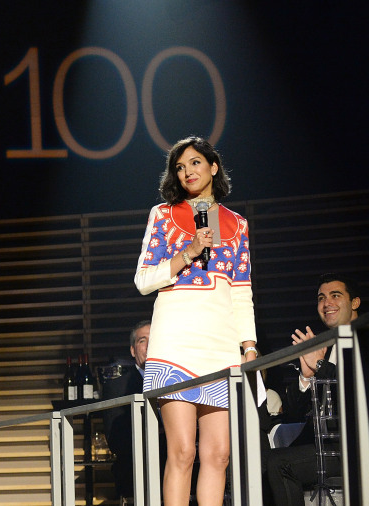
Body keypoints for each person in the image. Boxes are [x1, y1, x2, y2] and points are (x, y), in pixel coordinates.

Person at [134, 136, 258, 506]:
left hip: (221, 350)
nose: (187, 171)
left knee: (219, 455)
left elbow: (240, 290)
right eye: (179, 166)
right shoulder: (163, 215)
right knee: (183, 451)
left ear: (213, 167)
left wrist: (248, 345)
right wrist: (187, 252)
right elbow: (143, 281)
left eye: (195, 163)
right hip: (175, 346)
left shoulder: (237, 224)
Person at [266, 273, 361, 506]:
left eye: (335, 295)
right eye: (321, 297)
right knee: (261, 461)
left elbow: (355, 394)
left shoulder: (362, 340)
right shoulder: (324, 347)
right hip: (323, 445)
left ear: (355, 302)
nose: (327, 303)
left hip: (355, 446)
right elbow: (296, 413)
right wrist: (306, 378)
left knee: (279, 464)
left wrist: (321, 366)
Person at [102, 320, 154, 499]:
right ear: (133, 350)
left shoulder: (177, 381)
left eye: (154, 339)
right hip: (136, 465)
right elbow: (116, 442)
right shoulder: (116, 388)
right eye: (142, 341)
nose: (149, 345)